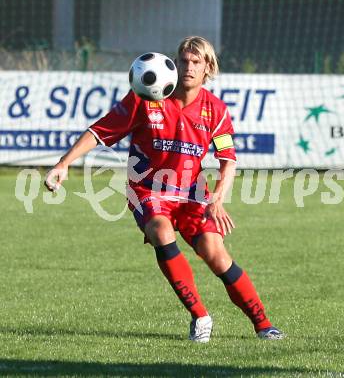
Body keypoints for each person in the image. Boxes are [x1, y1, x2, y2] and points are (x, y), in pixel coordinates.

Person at [45, 36, 285, 343]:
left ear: (207, 67)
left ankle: (263, 325)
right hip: (149, 189)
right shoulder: (146, 97)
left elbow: (228, 161)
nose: (188, 67)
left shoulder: (217, 110)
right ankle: (200, 316)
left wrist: (217, 200)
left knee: (215, 254)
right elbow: (99, 132)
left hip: (193, 194)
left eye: (196, 62)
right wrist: (64, 163)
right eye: (183, 60)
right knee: (160, 230)